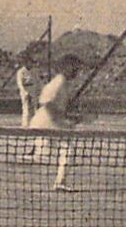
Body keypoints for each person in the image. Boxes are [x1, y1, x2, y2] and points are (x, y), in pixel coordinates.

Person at [30, 55, 83, 190]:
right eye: (75, 68)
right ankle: (60, 182)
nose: (77, 72)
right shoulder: (58, 83)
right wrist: (63, 121)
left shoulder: (63, 83)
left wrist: (69, 117)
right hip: (45, 121)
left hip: (48, 121)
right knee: (67, 148)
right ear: (67, 67)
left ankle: (59, 180)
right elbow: (47, 104)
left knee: (49, 152)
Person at [15, 59, 38, 128]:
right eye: (29, 62)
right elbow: (20, 83)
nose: (30, 64)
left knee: (34, 107)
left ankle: (34, 124)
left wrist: (38, 90)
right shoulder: (21, 72)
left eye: (31, 63)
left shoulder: (34, 71)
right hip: (25, 89)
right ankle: (25, 124)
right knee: (26, 107)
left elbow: (37, 81)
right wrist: (24, 91)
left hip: (33, 89)